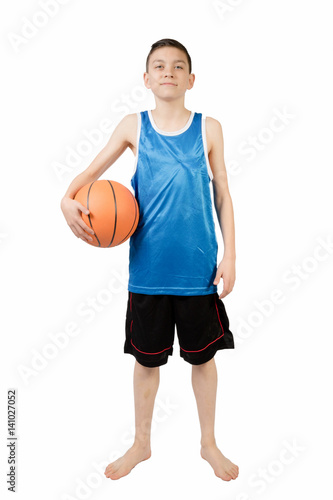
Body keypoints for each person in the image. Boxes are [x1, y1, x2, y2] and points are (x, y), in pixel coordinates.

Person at [60, 38, 239, 482]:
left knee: (203, 359)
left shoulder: (210, 128)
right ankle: (142, 443)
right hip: (148, 273)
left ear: (191, 80)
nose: (168, 73)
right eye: (159, 66)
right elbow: (88, 176)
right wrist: (66, 200)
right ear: (146, 78)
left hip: (198, 272)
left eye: (178, 67)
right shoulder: (132, 127)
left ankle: (208, 443)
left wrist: (231, 253)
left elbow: (222, 194)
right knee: (146, 362)